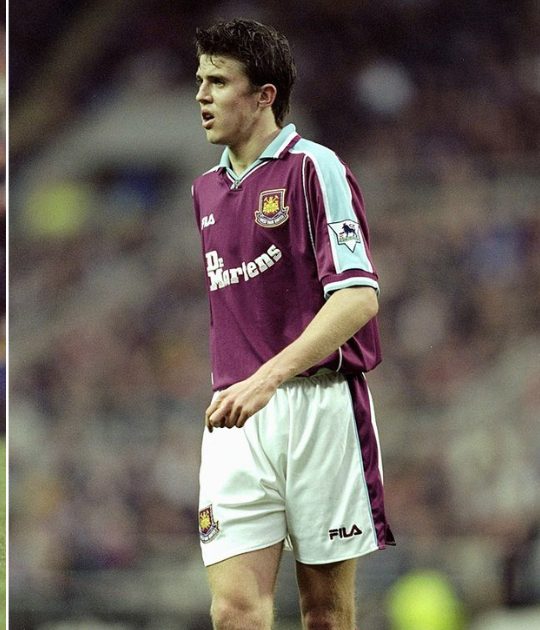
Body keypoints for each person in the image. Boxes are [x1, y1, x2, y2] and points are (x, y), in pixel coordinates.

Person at [191, 18, 393, 629]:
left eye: (218, 81)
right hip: (236, 416)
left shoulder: (314, 168)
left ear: (264, 95)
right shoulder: (204, 189)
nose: (200, 95)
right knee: (233, 612)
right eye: (199, 80)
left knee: (325, 613)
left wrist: (269, 377)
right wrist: (249, 386)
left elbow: (358, 296)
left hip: (318, 409)